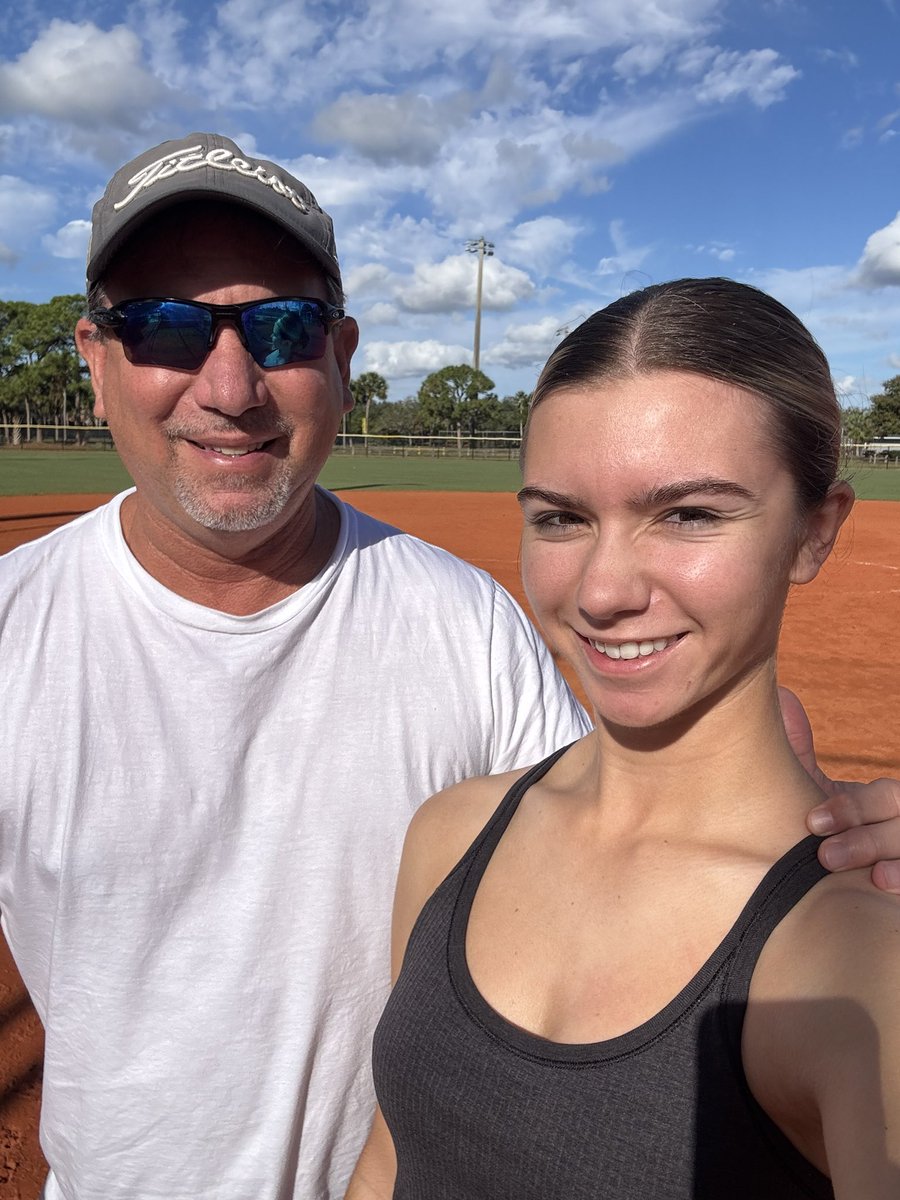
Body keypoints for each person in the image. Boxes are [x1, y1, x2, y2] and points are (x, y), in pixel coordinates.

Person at [0, 134, 894, 1200]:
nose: (228, 385)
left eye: (281, 327)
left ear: (340, 356)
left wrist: (838, 840)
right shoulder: (15, 632)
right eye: (164, 327)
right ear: (95, 359)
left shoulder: (465, 620)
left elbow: (639, 816)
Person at [347, 279, 900, 1199]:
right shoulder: (449, 833)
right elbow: (386, 1162)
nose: (601, 591)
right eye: (560, 517)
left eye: (688, 514)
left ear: (814, 532)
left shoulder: (855, 962)